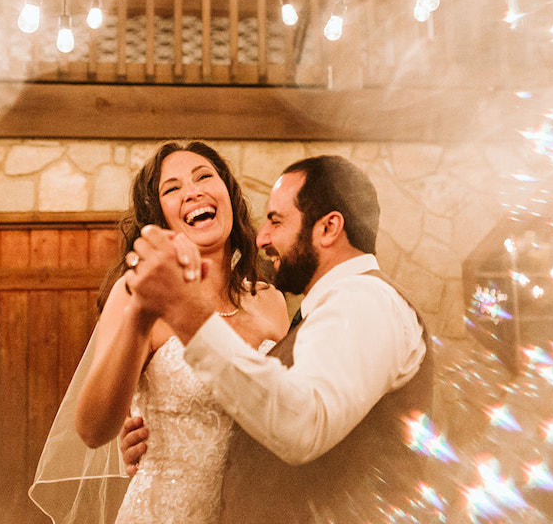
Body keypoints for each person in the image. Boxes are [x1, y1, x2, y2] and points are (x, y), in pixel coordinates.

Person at [123, 154, 434, 524]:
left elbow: (302, 423)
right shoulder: (331, 308)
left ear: (328, 228)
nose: (262, 237)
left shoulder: (363, 302)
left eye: (276, 220)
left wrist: (187, 314)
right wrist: (162, 436)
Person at [29, 141, 288, 524]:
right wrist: (141, 317)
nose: (193, 191)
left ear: (229, 196)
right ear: (161, 218)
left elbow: (288, 410)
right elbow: (92, 428)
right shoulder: (134, 292)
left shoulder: (270, 300)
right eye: (172, 188)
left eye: (204, 177)